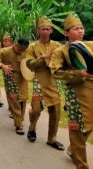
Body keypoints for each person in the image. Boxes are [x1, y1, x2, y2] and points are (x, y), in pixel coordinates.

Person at [50, 14, 93, 169]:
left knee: (90, 124)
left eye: (82, 28)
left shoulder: (90, 45)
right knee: (78, 128)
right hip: (76, 94)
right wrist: (78, 73)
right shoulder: (60, 51)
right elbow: (56, 72)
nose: (81, 31)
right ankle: (81, 165)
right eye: (76, 28)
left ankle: (72, 148)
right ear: (66, 33)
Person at [25, 17, 64, 150]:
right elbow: (29, 64)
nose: (45, 31)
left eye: (48, 29)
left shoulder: (58, 46)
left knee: (55, 111)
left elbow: (63, 62)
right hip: (39, 80)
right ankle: (32, 127)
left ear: (51, 30)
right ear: (38, 31)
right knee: (36, 109)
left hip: (54, 80)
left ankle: (52, 139)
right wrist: (42, 58)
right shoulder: (32, 46)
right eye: (43, 29)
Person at [0, 38, 29, 135]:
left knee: (23, 99)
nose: (19, 51)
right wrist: (2, 66)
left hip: (23, 77)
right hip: (11, 76)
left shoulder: (26, 51)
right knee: (14, 99)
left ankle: (20, 118)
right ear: (15, 44)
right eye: (18, 48)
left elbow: (30, 61)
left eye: (22, 50)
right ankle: (18, 125)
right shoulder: (4, 51)